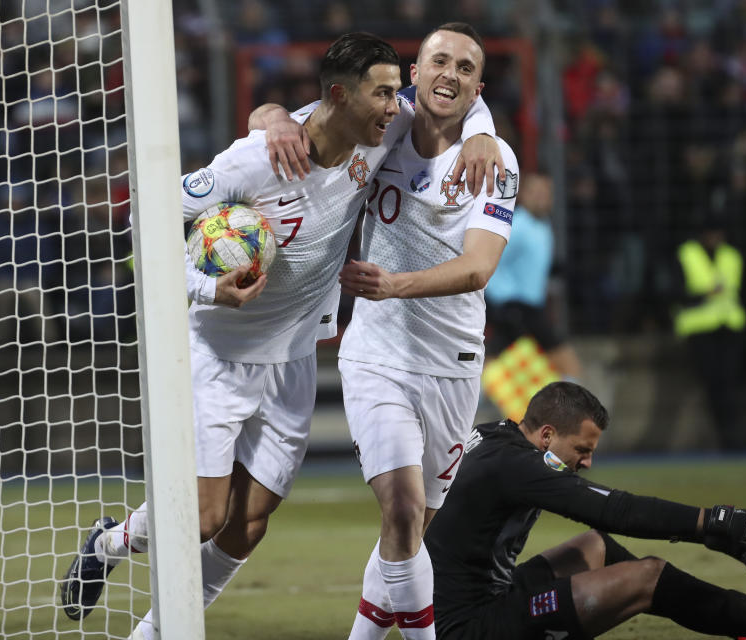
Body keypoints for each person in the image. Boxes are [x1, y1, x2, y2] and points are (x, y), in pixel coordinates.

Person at [59, 32, 501, 638]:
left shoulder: (381, 132)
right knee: (204, 517)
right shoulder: (259, 158)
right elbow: (145, 214)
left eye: (398, 94)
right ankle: (113, 544)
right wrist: (208, 287)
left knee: (248, 526)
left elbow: (446, 95)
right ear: (342, 96)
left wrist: (483, 128)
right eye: (384, 94)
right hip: (219, 352)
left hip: (292, 358)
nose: (395, 106)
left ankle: (151, 629)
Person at [425, 380, 746, 640]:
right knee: (646, 577)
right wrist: (717, 522)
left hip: (475, 602)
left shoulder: (496, 438)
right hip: (470, 629)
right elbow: (619, 511)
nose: (586, 463)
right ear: (546, 434)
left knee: (595, 548)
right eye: (581, 449)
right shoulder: (517, 465)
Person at [333, 23, 517, 640]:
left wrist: (394, 283)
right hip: (376, 351)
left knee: (412, 530)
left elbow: (478, 268)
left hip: (453, 362)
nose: (450, 75)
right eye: (439, 61)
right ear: (414, 72)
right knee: (404, 507)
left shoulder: (496, 160)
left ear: (478, 87)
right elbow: (304, 115)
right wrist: (274, 118)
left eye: (466, 69)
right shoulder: (382, 125)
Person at [484, 172, 583, 380]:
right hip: (514, 307)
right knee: (566, 360)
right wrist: (498, 302)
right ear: (523, 195)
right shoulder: (516, 225)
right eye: (535, 192)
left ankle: (478, 395)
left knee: (495, 358)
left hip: (530, 307)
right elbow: (490, 262)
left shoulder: (543, 225)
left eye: (546, 193)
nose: (541, 197)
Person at [671, 215, 746, 449]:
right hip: (700, 329)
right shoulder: (687, 254)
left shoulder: (732, 256)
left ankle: (732, 437)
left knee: (729, 384)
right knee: (715, 384)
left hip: (729, 326)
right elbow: (676, 292)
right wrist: (704, 294)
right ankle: (727, 438)